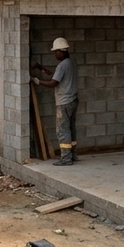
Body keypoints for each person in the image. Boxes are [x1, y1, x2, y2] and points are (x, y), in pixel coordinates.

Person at [33, 37, 79, 166]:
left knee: (62, 130)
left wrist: (37, 81)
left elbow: (54, 83)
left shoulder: (62, 65)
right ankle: (73, 155)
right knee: (71, 128)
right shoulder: (71, 63)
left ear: (62, 51)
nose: (55, 54)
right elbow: (59, 77)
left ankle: (66, 159)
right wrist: (42, 69)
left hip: (63, 102)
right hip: (73, 100)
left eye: (56, 51)